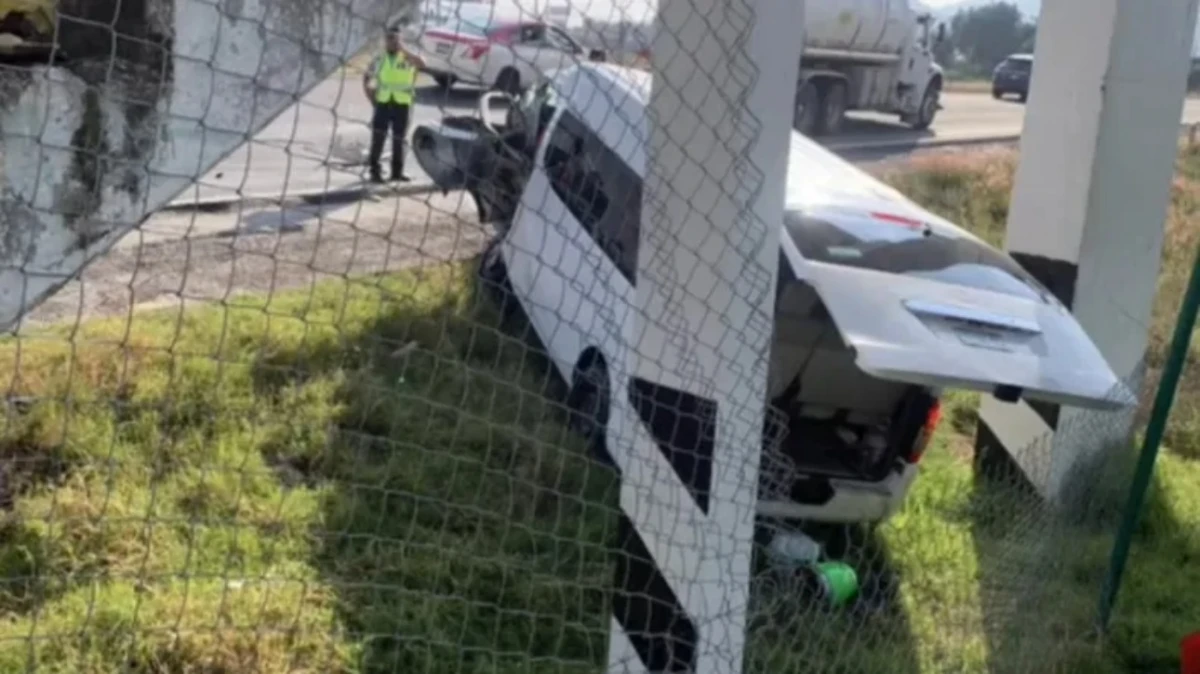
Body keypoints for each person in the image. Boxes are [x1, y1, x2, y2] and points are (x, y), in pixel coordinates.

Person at [363, 27, 424, 184]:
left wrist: (404, 50)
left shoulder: (408, 57)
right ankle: (375, 172)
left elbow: (422, 63)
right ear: (385, 40)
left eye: (396, 38)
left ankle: (397, 172)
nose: (392, 42)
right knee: (378, 138)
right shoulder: (379, 58)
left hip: (402, 103)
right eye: (389, 38)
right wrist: (370, 96)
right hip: (383, 103)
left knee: (400, 139)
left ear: (401, 40)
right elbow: (367, 76)